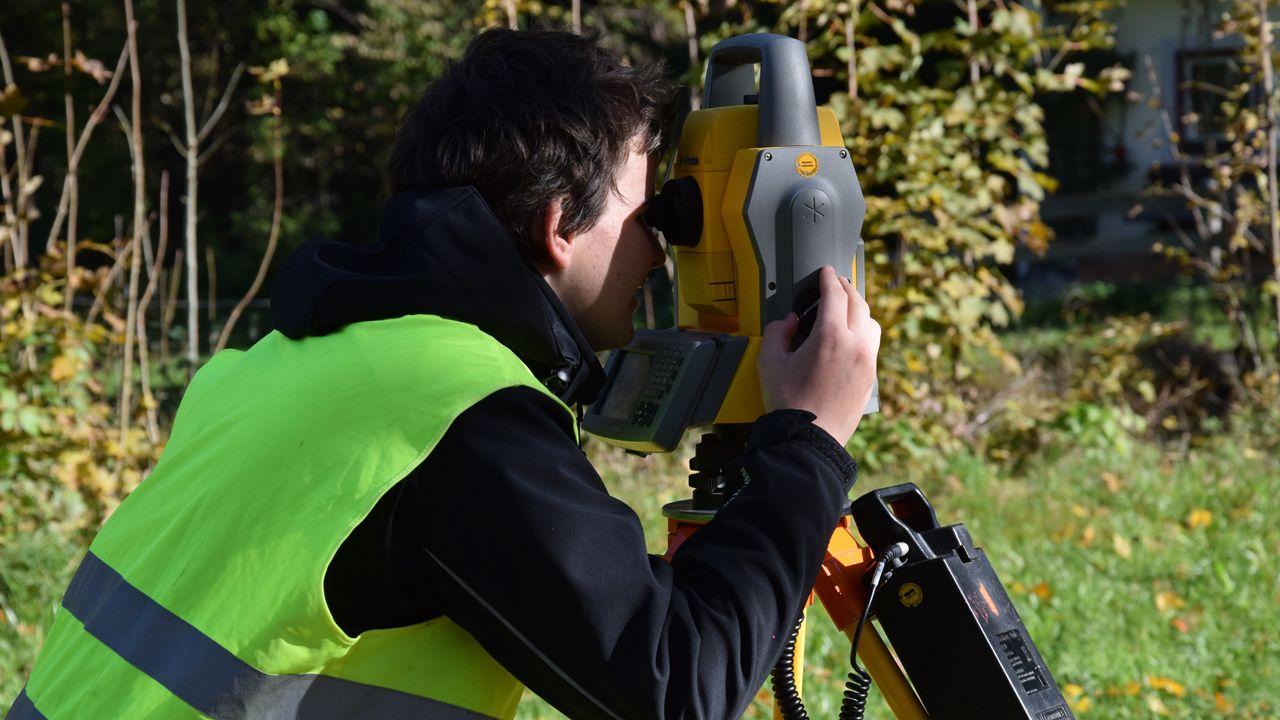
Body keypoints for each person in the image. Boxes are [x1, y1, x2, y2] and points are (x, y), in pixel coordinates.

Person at [8, 29, 880, 720]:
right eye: (648, 212)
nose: (663, 245)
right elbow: (679, 687)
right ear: (556, 227)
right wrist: (805, 443)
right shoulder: (460, 418)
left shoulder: (284, 360)